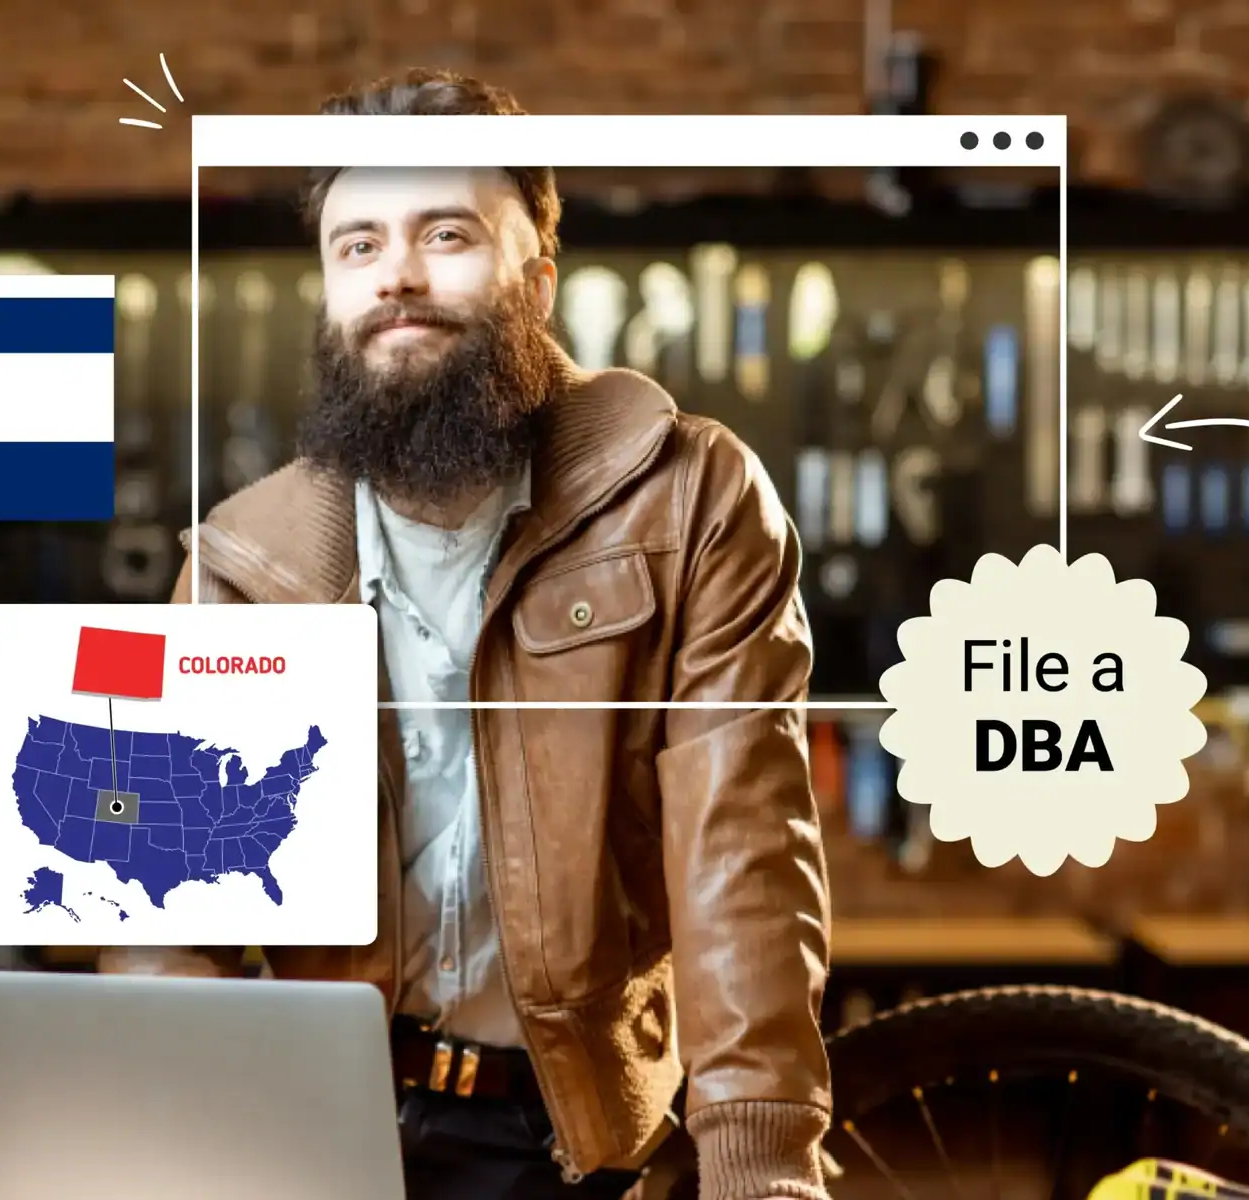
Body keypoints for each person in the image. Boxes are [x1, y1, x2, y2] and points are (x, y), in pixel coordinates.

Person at [122, 70, 832, 1200]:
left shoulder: (689, 496)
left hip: (576, 1141)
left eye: (443, 233)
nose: (395, 272)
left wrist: (760, 1167)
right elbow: (173, 922)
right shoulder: (239, 560)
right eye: (356, 246)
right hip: (324, 1133)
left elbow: (738, 859)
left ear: (535, 281)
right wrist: (168, 1146)